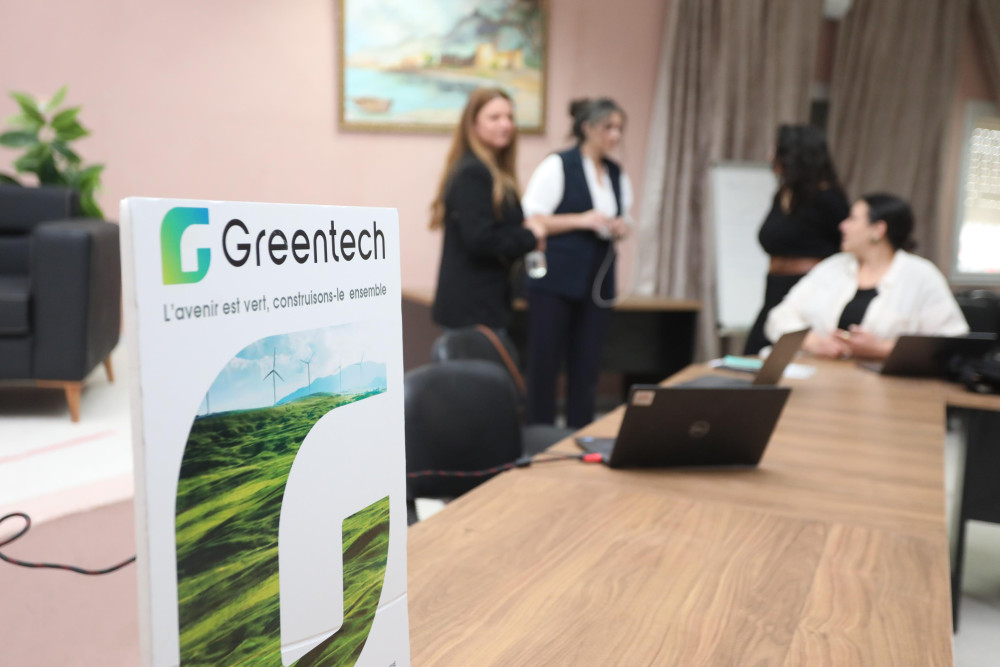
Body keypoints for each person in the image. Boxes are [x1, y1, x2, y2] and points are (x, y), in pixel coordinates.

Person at [520, 98, 633, 428]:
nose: (615, 135)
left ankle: (580, 432)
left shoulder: (616, 173)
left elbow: (625, 218)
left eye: (619, 129)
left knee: (587, 363)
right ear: (588, 128)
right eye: (608, 127)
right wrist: (581, 220)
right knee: (545, 362)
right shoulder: (558, 165)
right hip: (555, 280)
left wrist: (620, 227)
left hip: (598, 281)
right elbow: (533, 219)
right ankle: (538, 432)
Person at [765, 193, 969, 359]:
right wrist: (813, 342)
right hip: (822, 378)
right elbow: (778, 318)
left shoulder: (921, 275)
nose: (842, 225)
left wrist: (881, 349)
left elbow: (950, 343)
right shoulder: (831, 267)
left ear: (878, 230)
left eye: (852, 219)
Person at [431, 88, 546, 330]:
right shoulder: (473, 173)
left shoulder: (494, 171)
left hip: (485, 303)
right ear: (473, 125)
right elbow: (480, 239)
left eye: (509, 117)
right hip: (472, 308)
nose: (506, 125)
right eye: (494, 118)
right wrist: (530, 236)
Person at [744, 125, 850, 355]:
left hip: (805, 289)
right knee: (754, 353)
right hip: (774, 287)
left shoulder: (828, 197)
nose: (770, 157)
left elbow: (845, 248)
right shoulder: (784, 194)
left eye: (776, 150)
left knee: (788, 356)